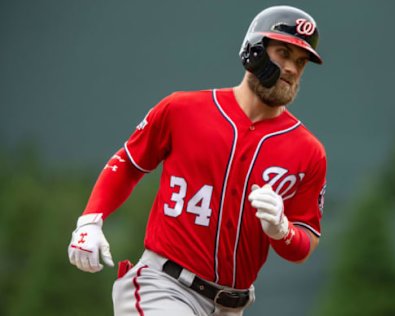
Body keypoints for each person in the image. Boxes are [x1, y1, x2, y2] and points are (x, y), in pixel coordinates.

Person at [68, 5, 327, 316]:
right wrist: (90, 220)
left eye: (301, 62)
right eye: (283, 52)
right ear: (253, 51)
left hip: (233, 305)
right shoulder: (182, 109)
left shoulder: (308, 151)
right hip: (163, 285)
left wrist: (282, 230)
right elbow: (129, 162)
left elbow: (304, 242)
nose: (292, 68)